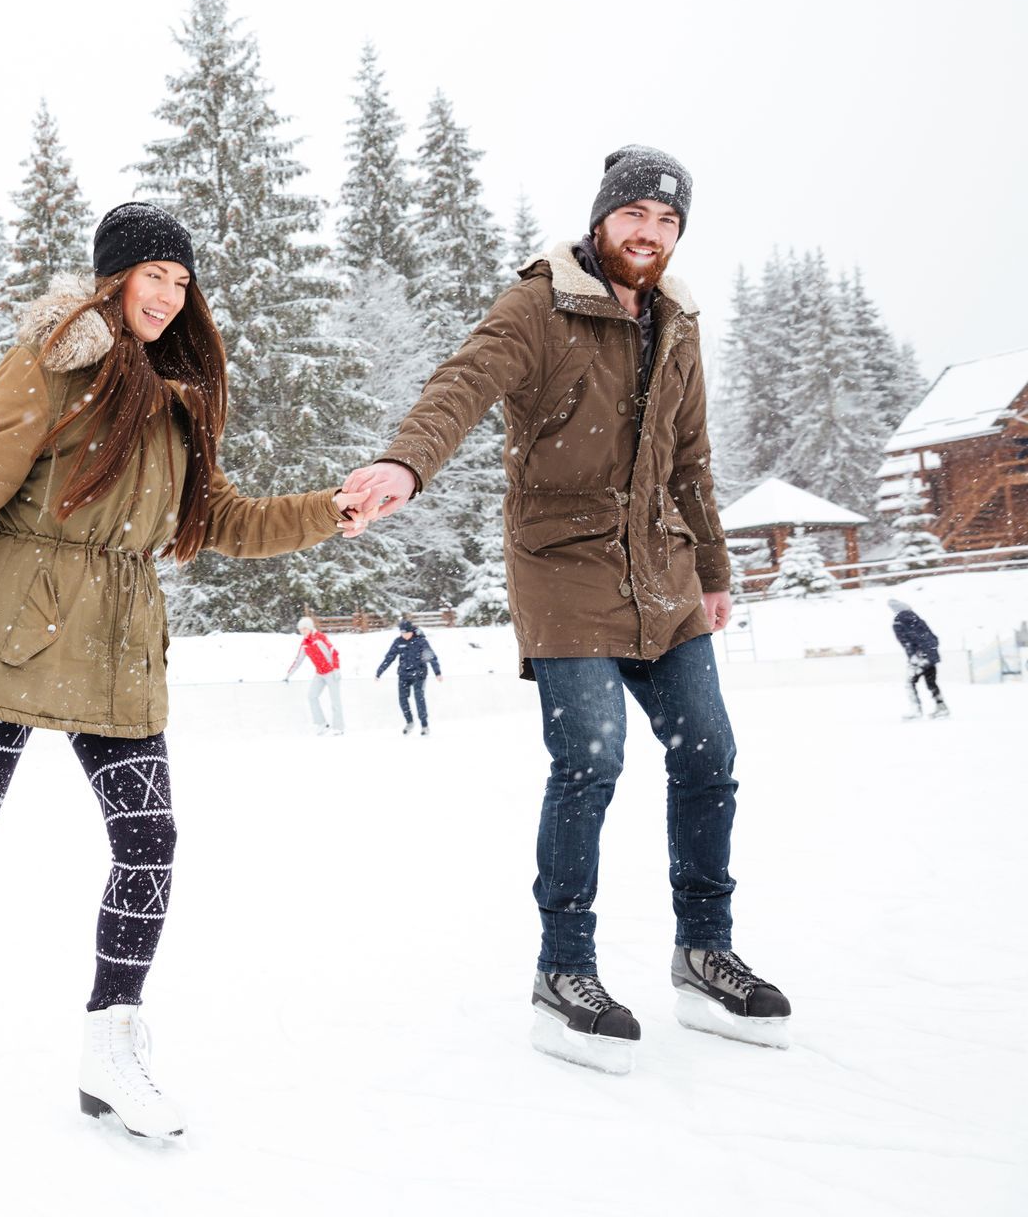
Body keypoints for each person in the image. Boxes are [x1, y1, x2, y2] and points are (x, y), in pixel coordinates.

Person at [0, 202, 366, 1137]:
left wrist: (333, 510)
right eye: (153, 276)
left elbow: (223, 522)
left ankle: (110, 1047)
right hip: (19, 633)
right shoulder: (58, 368)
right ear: (114, 279)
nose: (170, 297)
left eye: (182, 281)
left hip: (122, 650)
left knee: (149, 845)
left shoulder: (179, 398)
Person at [341, 147, 790, 1073]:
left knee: (711, 752)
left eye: (668, 223)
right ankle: (564, 968)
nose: (649, 234)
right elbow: (461, 383)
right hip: (562, 565)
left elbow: (692, 460)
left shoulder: (679, 323)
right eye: (636, 215)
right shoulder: (541, 302)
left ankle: (705, 950)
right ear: (602, 218)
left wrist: (713, 570)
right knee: (590, 759)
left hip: (662, 571)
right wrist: (405, 462)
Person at [375, 619, 442, 735]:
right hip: (404, 674)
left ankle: (424, 725)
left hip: (419, 674)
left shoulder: (420, 641)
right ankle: (409, 722)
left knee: (418, 697)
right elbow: (389, 657)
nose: (404, 635)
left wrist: (437, 672)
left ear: (412, 631)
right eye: (402, 633)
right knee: (402, 699)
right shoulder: (398, 641)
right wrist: (379, 672)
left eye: (406, 633)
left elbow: (431, 656)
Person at [284, 615, 345, 735]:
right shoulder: (305, 643)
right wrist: (288, 675)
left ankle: (339, 727)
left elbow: (334, 652)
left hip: (331, 673)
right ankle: (321, 723)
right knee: (312, 696)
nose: (302, 632)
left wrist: (336, 669)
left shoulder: (319, 638)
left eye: (304, 629)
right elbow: (298, 660)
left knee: (335, 701)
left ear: (310, 628)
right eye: (300, 630)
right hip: (319, 674)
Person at [890, 599, 949, 719]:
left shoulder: (898, 622)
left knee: (910, 683)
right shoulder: (918, 620)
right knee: (931, 682)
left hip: (919, 657)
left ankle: (916, 710)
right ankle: (942, 707)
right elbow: (933, 638)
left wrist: (914, 656)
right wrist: (930, 653)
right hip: (930, 656)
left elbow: (907, 643)